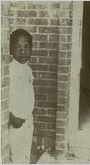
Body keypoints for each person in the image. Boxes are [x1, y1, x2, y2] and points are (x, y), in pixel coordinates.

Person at [9, 29, 35, 163]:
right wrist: (12, 115)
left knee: (25, 155)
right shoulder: (11, 70)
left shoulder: (27, 68)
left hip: (27, 121)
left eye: (26, 47)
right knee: (18, 157)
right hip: (17, 122)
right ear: (11, 50)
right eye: (18, 47)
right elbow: (9, 94)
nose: (23, 51)